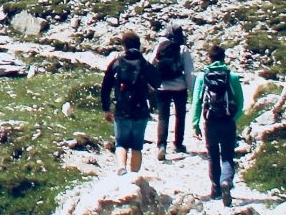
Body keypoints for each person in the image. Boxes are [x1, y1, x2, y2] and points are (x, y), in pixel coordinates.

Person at [189, 41, 247, 204]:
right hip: (228, 121)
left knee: (212, 155)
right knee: (227, 156)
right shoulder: (232, 77)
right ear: (223, 58)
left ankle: (215, 190)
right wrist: (233, 118)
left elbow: (197, 102)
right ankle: (226, 181)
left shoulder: (202, 77)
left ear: (209, 58)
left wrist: (195, 123)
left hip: (210, 122)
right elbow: (240, 102)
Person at [98, 32, 157, 174]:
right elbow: (157, 82)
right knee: (137, 146)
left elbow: (106, 87)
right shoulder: (144, 64)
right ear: (139, 45)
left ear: (124, 45)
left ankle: (121, 168)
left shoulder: (117, 62)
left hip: (122, 109)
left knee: (121, 143)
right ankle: (134, 175)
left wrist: (106, 108)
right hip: (141, 110)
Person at [150, 25, 191, 159]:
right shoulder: (183, 48)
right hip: (180, 87)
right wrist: (190, 88)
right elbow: (188, 72)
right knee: (180, 115)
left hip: (162, 87)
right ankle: (178, 144)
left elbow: (151, 63)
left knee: (163, 117)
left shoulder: (161, 45)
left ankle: (161, 145)